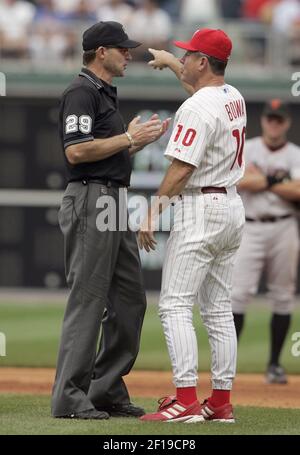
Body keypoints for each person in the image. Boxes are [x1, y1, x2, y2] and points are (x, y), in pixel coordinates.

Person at [51, 20, 170, 420]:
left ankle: (105, 390)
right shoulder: (81, 91)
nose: (129, 54)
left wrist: (133, 143)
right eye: (122, 49)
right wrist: (128, 139)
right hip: (90, 196)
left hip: (114, 198)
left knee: (129, 299)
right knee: (88, 298)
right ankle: (69, 397)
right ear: (101, 52)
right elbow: (77, 153)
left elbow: (106, 153)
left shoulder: (102, 92)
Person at [138, 28, 247, 423]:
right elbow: (199, 98)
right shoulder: (231, 96)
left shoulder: (199, 106)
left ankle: (185, 399)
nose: (183, 59)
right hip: (231, 206)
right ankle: (220, 402)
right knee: (218, 309)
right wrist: (169, 63)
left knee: (174, 305)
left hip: (201, 207)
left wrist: (152, 213)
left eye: (187, 55)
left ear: (203, 62)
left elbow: (182, 168)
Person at [231, 99, 300, 384]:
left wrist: (263, 179)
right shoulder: (248, 147)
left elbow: (298, 192)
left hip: (284, 226)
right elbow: (238, 181)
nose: (274, 123)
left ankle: (274, 364)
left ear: (287, 123)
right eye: (270, 118)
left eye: (279, 119)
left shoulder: (296, 154)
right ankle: (228, 366)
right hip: (251, 225)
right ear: (263, 121)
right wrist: (277, 180)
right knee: (237, 294)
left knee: (283, 295)